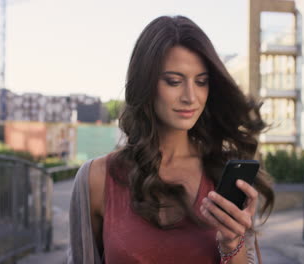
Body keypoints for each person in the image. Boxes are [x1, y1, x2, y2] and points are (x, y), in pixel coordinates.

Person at [67, 15, 274, 264]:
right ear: (146, 83)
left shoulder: (225, 174)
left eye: (201, 82)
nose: (190, 97)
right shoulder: (97, 179)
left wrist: (231, 242)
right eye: (174, 81)